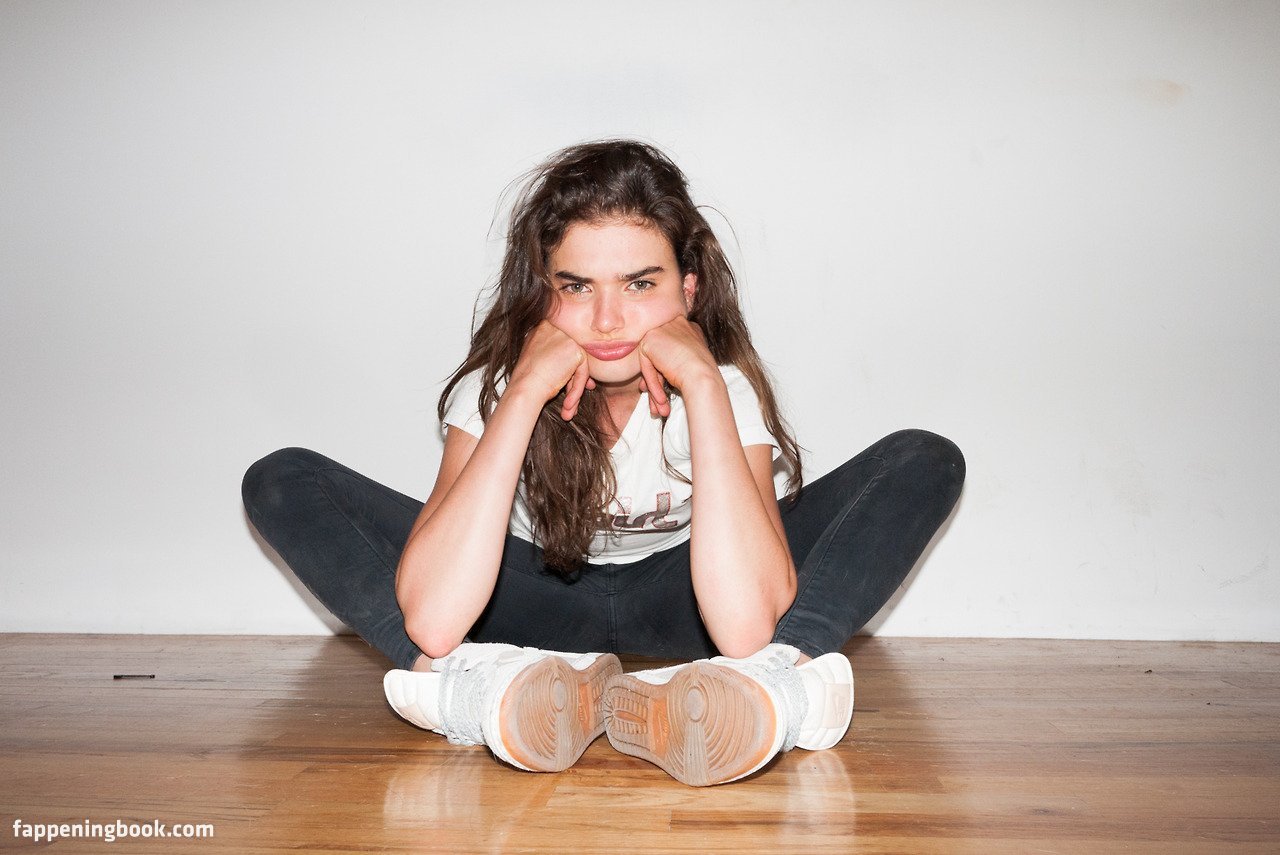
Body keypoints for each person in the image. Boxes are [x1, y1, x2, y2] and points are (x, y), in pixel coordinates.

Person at [241, 139, 965, 786]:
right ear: (543, 294)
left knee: (924, 459)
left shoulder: (720, 388)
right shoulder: (500, 387)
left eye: (640, 284)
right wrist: (523, 392)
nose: (608, 320)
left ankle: (778, 680)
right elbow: (433, 616)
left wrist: (703, 385)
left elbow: (742, 627)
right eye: (577, 287)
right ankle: (471, 683)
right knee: (280, 480)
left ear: (688, 289)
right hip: (528, 600)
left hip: (689, 602)